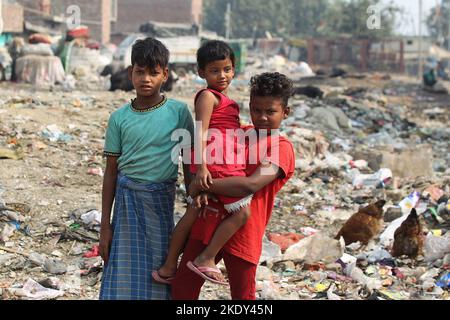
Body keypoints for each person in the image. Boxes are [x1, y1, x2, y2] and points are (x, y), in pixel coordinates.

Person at [171, 72, 296, 300]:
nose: (263, 117)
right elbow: (200, 151)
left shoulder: (281, 149)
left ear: (285, 112)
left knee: (242, 296)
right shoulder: (239, 134)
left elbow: (250, 184)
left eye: (271, 111)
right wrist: (196, 184)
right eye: (257, 110)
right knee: (182, 288)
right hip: (208, 223)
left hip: (244, 232)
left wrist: (205, 186)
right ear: (249, 106)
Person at [99, 37, 194, 300]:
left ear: (165, 74)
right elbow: (111, 173)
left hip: (161, 204)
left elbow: (188, 160)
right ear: (130, 73)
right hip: (126, 207)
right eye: (140, 72)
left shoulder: (178, 112)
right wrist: (105, 226)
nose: (146, 79)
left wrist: (192, 203)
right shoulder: (119, 118)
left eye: (154, 73)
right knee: (121, 270)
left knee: (160, 266)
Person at [153, 40, 252, 286]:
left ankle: (168, 267)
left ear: (234, 69)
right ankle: (206, 258)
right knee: (243, 212)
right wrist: (203, 168)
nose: (222, 75)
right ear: (201, 73)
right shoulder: (208, 96)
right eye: (214, 70)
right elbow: (200, 133)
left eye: (227, 69)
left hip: (221, 163)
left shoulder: (225, 99)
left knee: (194, 211)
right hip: (215, 167)